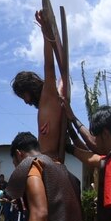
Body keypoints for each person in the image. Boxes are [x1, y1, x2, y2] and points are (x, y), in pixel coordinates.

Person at [11, 10, 65, 161]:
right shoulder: (49, 100)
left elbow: (49, 67)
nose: (25, 101)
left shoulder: (48, 96)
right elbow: (61, 81)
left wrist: (45, 32)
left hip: (48, 160)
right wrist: (63, 82)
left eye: (24, 95)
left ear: (30, 88)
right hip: (47, 159)